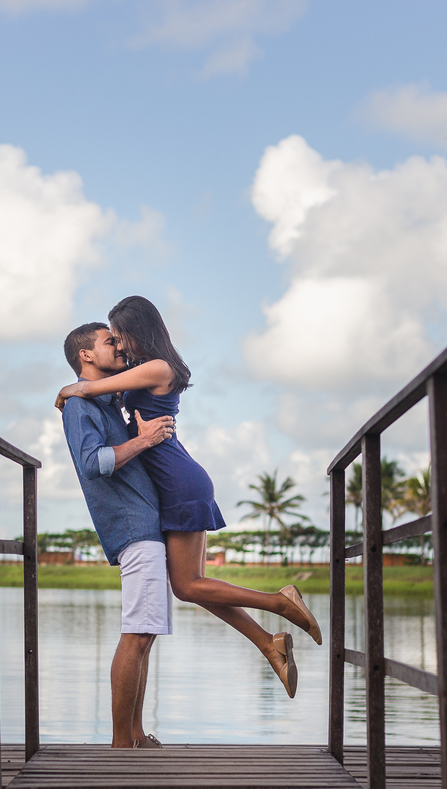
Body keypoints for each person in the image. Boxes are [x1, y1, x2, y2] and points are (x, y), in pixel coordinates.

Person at [55, 297, 320, 698]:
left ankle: (280, 603)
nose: (120, 346)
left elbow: (88, 386)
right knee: (191, 584)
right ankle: (269, 642)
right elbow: (95, 392)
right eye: (112, 340)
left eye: (119, 336)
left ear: (136, 329)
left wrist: (70, 391)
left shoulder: (158, 368)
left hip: (179, 481)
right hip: (172, 481)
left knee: (189, 586)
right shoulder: (139, 372)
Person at [60, 321, 177, 749]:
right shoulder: (80, 407)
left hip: (145, 526)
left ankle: (134, 735)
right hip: (131, 528)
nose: (120, 346)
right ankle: (120, 746)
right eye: (110, 342)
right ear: (86, 355)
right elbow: (94, 463)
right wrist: (144, 441)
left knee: (144, 636)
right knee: (137, 634)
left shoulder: (104, 402)